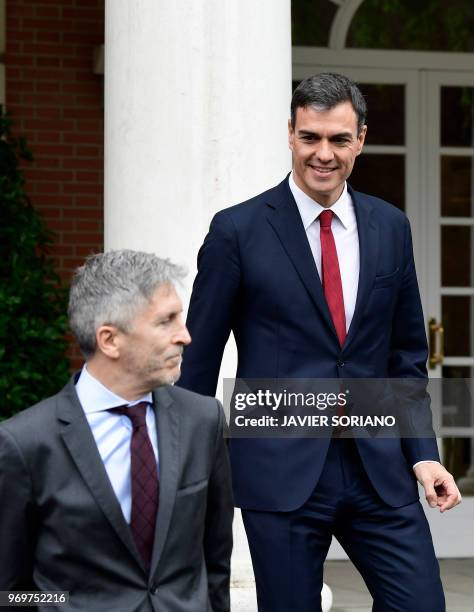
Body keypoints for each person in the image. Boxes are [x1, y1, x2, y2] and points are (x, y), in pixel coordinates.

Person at [178, 73, 462, 611]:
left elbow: (405, 357)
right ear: (290, 134)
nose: (323, 154)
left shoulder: (390, 228)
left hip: (378, 467)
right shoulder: (236, 231)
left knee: (421, 605)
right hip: (279, 472)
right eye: (310, 137)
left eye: (337, 139)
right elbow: (199, 360)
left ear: (360, 139)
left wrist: (424, 455)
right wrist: (188, 472)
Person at [0, 250, 233, 612]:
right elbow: (10, 590)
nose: (185, 336)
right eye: (166, 321)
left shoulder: (203, 421)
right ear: (109, 340)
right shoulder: (25, 443)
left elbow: (216, 563)